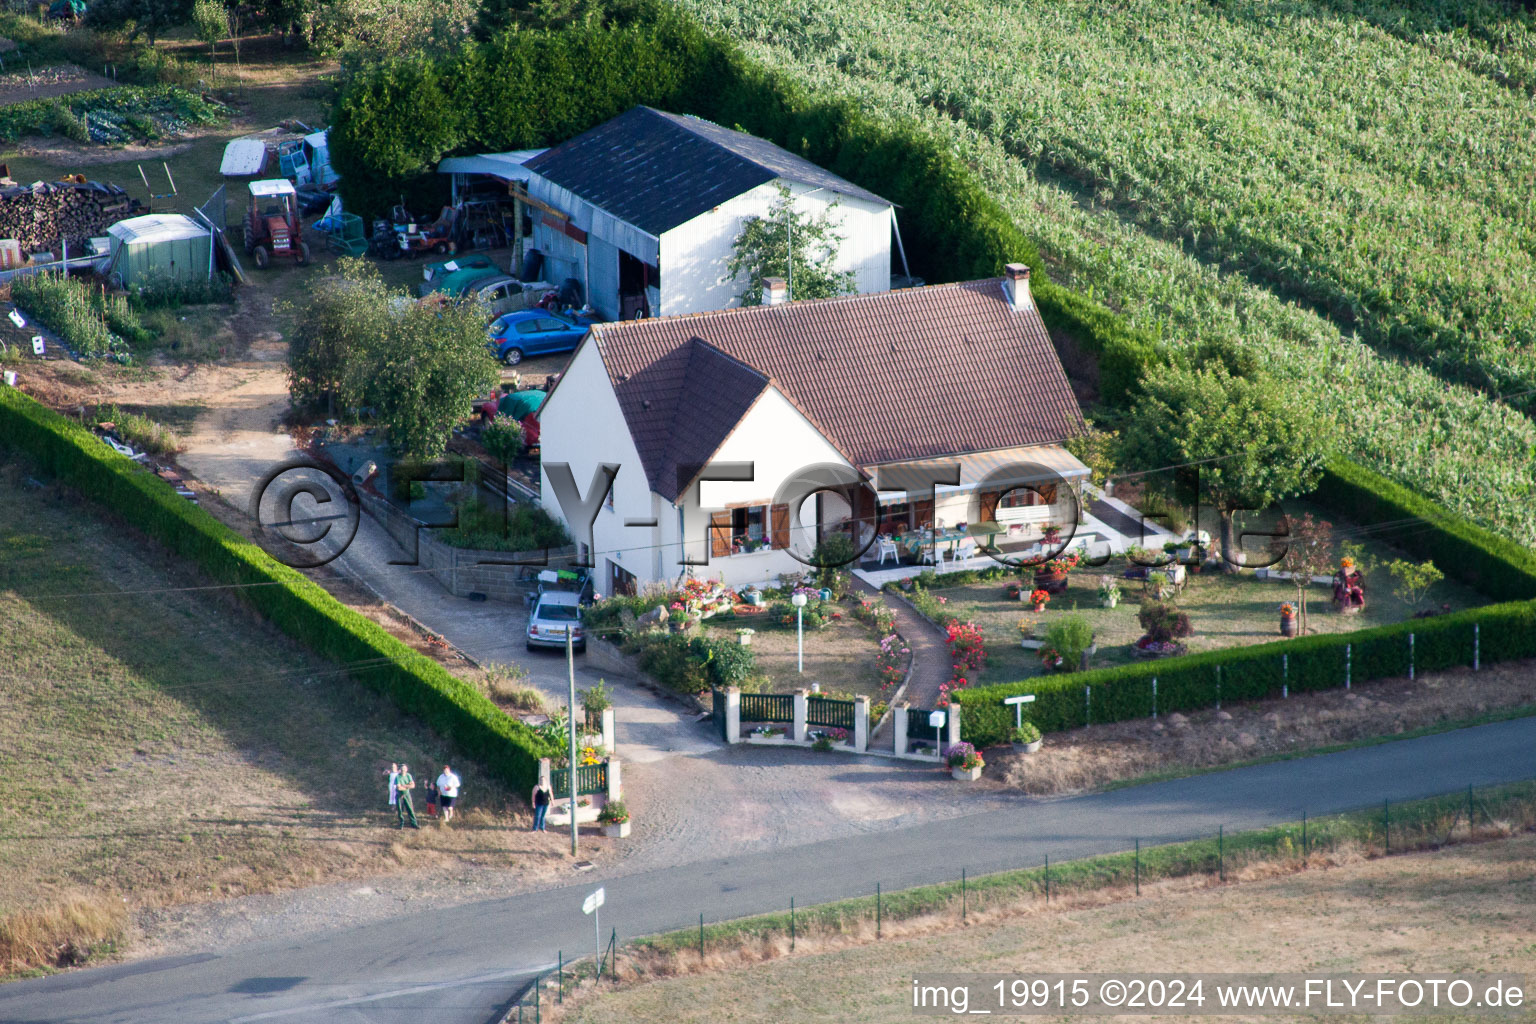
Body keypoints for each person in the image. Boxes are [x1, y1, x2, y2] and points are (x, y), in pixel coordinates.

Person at [395, 764, 420, 829]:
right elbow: (399, 788)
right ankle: (401, 823)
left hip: (407, 794)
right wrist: (408, 785)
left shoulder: (408, 775)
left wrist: (404, 786)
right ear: (400, 770)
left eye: (404, 769)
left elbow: (413, 786)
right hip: (399, 795)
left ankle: (414, 823)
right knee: (400, 810)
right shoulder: (398, 777)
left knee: (410, 809)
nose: (403, 770)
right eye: (402, 769)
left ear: (406, 769)